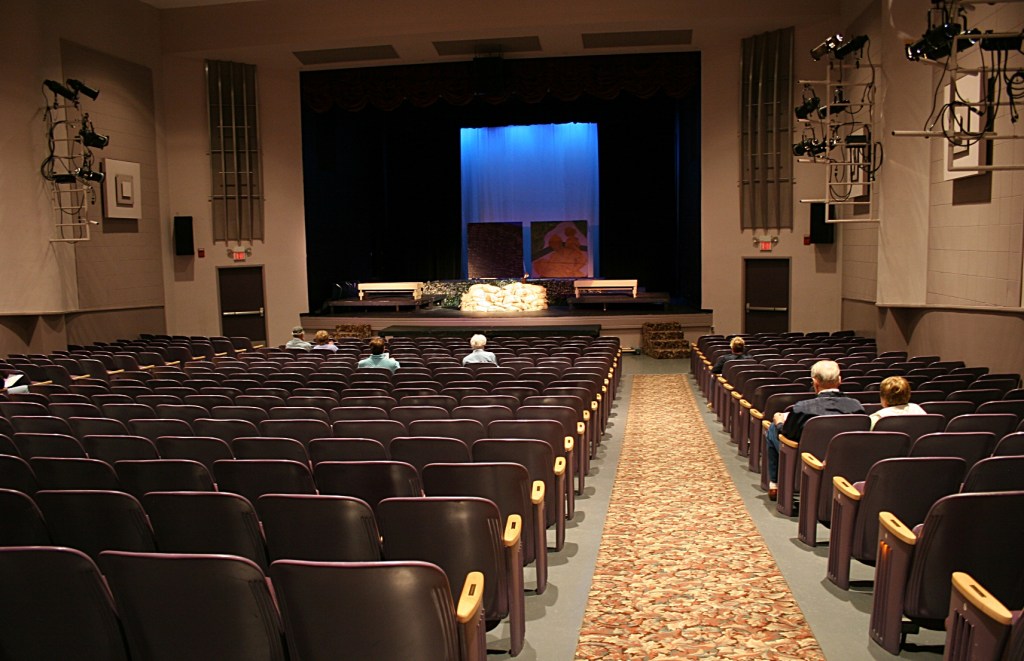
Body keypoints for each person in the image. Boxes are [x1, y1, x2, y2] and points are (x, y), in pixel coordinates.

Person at [764, 360, 864, 500]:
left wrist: (779, 423)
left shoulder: (802, 408)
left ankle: (775, 484)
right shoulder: (857, 407)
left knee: (773, 429)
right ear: (839, 380)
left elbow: (787, 433)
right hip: (842, 459)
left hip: (806, 459)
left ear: (814, 382)